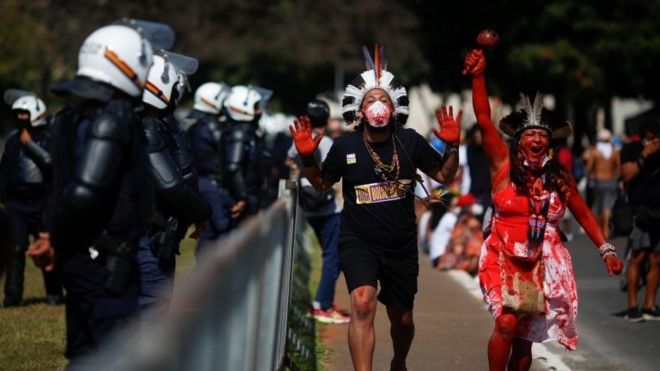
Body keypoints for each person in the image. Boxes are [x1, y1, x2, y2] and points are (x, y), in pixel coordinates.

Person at [289, 44, 460, 371]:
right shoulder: (345, 146)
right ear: (359, 107)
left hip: (401, 244)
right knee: (363, 305)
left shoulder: (410, 142)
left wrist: (452, 145)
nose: (378, 105)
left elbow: (444, 175)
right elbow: (322, 183)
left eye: (383, 99)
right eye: (370, 100)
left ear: (394, 107)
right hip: (358, 241)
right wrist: (308, 156)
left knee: (403, 319)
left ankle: (398, 362)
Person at [464, 49, 623, 370]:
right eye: (530, 134)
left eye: (542, 135)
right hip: (502, 256)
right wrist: (478, 76)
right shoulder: (503, 166)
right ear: (519, 141)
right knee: (507, 324)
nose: (536, 139)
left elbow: (583, 213)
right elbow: (483, 119)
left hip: (542, 261)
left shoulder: (558, 176)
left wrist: (606, 249)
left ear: (549, 143)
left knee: (524, 338)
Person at [26, 21, 163, 364]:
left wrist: (55, 238)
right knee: (108, 355)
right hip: (106, 265)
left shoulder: (71, 115)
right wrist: (56, 237)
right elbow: (85, 191)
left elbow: (64, 187)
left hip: (83, 258)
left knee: (84, 352)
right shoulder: (113, 117)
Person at [138, 51, 211, 317]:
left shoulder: (161, 123)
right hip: (151, 236)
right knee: (152, 311)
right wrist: (202, 212)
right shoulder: (148, 127)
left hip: (162, 235)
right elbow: (170, 186)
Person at [287, 99, 349, 324]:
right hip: (328, 207)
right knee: (335, 255)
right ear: (326, 119)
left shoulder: (297, 141)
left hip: (308, 204)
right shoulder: (326, 143)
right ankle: (322, 305)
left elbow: (290, 162)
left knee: (333, 255)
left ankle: (323, 302)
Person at [0, 90, 63, 306]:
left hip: (42, 203)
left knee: (46, 250)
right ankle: (12, 296)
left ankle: (54, 294)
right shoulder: (11, 140)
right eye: (17, 114)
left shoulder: (47, 138)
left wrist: (29, 144)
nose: (20, 118)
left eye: (24, 114)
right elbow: (5, 169)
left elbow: (50, 163)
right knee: (15, 251)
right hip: (17, 204)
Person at [186, 81, 234, 257]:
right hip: (212, 185)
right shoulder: (212, 128)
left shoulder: (196, 127)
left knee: (209, 233)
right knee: (221, 230)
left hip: (203, 183)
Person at [620, 119, 660, 322]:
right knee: (638, 256)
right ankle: (632, 306)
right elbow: (626, 176)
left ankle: (649, 305)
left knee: (656, 258)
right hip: (641, 209)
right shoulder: (632, 149)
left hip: (658, 210)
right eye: (650, 134)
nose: (652, 139)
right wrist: (645, 155)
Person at [222, 85, 270, 219]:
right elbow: (233, 166)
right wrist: (242, 197)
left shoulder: (247, 131)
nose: (260, 111)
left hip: (250, 194)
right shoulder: (240, 132)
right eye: (255, 107)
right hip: (245, 195)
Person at [583, 129, 620, 240]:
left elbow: (588, 168)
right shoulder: (614, 152)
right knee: (608, 206)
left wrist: (592, 174)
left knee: (600, 207)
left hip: (599, 182)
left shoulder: (595, 152)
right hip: (611, 181)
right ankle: (606, 228)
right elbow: (618, 168)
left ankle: (603, 230)